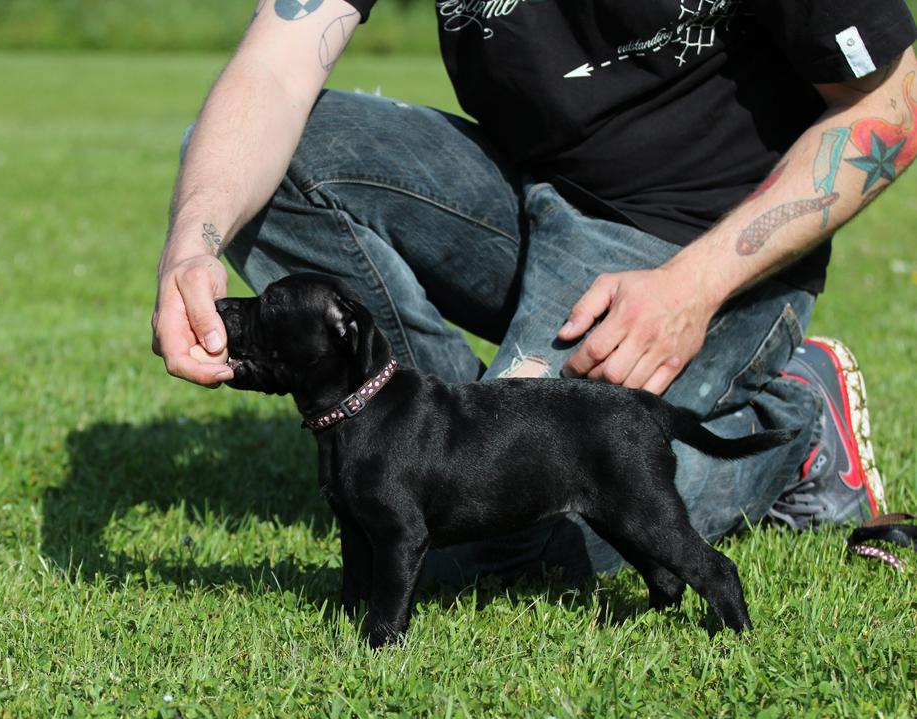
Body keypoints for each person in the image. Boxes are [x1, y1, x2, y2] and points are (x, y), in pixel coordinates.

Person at [152, 0, 916, 583]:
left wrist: (696, 283)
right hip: (524, 186)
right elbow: (276, 64)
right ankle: (442, 453)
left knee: (505, 540)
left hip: (697, 237)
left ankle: (796, 432)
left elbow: (892, 101)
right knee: (440, 509)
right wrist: (192, 243)